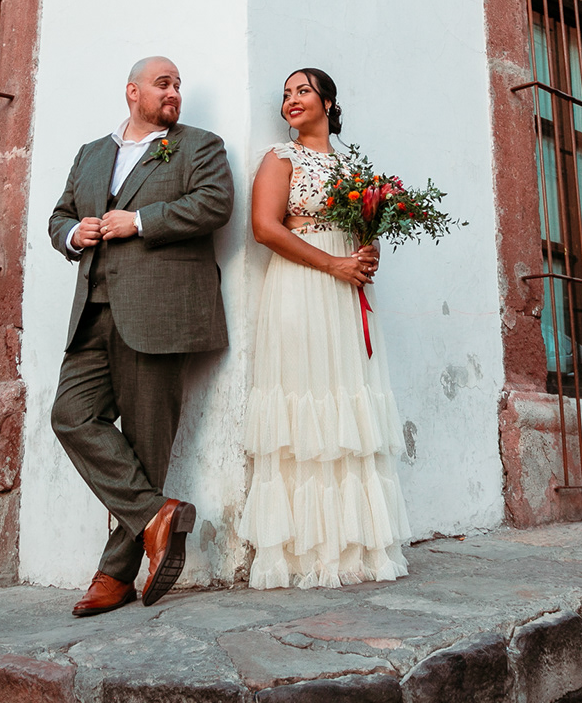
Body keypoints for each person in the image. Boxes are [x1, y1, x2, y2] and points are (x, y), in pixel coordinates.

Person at [48, 56, 234, 615]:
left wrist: (141, 220)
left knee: (147, 443)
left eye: (178, 84)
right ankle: (156, 516)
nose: (174, 91)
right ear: (133, 92)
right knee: (71, 416)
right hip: (93, 311)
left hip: (160, 312)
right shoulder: (90, 154)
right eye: (162, 83)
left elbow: (215, 204)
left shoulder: (199, 145)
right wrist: (74, 233)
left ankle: (114, 574)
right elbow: (59, 217)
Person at [240, 68, 412, 588]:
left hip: (346, 293)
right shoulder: (280, 158)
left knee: (346, 400)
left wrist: (367, 252)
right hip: (301, 286)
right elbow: (264, 228)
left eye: (303, 91)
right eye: (286, 94)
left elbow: (366, 230)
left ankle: (352, 547)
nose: (291, 100)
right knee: (305, 395)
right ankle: (302, 553)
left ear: (329, 103)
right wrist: (333, 263)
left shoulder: (353, 167)